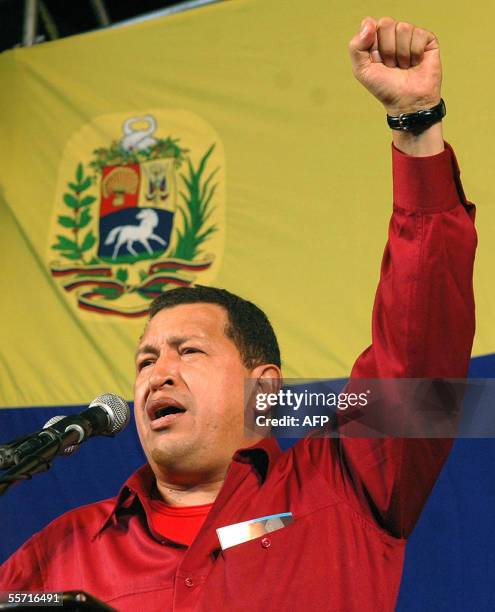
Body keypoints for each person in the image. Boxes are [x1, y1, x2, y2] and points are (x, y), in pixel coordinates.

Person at [0, 16, 476, 611]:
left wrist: (417, 125)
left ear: (265, 388)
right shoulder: (52, 556)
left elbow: (421, 339)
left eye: (188, 351)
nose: (156, 374)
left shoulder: (345, 485)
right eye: (145, 359)